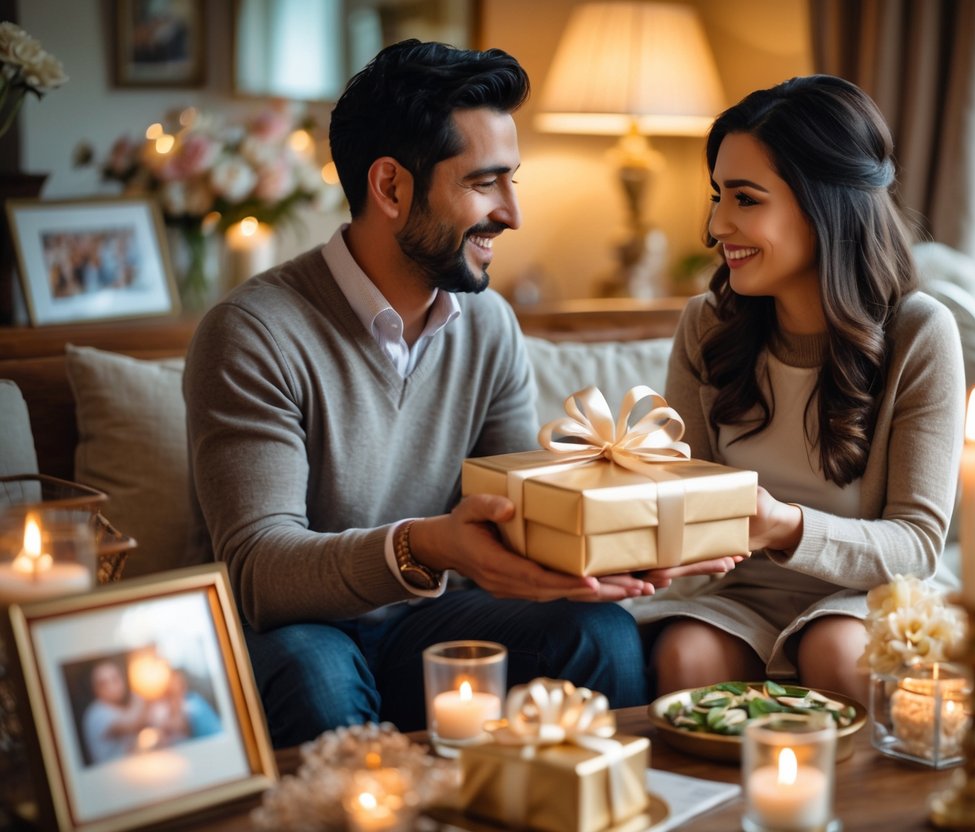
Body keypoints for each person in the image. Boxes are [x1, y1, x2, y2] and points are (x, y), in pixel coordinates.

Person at [184, 39, 733, 748]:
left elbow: (514, 511)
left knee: (597, 633)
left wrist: (628, 543)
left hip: (425, 625)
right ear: (390, 188)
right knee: (315, 670)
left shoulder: (488, 323)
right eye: (485, 183)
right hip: (288, 630)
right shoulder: (253, 331)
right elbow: (259, 571)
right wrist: (426, 548)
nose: (512, 213)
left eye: (513, 181)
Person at [627, 75, 965, 703]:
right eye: (717, 196)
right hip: (738, 598)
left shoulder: (921, 333)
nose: (715, 224)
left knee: (835, 650)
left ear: (823, 204)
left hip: (871, 596)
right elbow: (684, 504)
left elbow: (916, 546)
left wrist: (785, 527)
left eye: (746, 199)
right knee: (685, 658)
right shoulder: (707, 325)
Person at [81, 660, 148, 765]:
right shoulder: (96, 713)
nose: (111, 687)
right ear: (95, 689)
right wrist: (144, 689)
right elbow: (133, 724)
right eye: (103, 684)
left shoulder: (122, 708)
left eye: (115, 679)